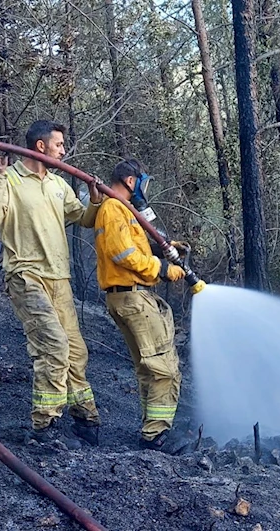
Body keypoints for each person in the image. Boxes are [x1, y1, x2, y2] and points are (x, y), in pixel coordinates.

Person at [0, 120, 103, 448]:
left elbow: (84, 219)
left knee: (76, 352)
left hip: (59, 280)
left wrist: (94, 199)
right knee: (54, 346)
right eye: (59, 145)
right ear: (40, 146)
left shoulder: (59, 185)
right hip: (26, 277)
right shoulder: (12, 179)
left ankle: (84, 418)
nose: (63, 151)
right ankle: (44, 427)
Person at [94, 159, 191, 454]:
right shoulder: (113, 208)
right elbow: (124, 255)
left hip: (126, 297)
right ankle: (156, 436)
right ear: (130, 181)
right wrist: (162, 269)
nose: (143, 191)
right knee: (164, 369)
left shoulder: (120, 210)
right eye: (141, 184)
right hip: (132, 297)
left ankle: (152, 430)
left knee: (149, 368)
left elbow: (133, 246)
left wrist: (167, 245)